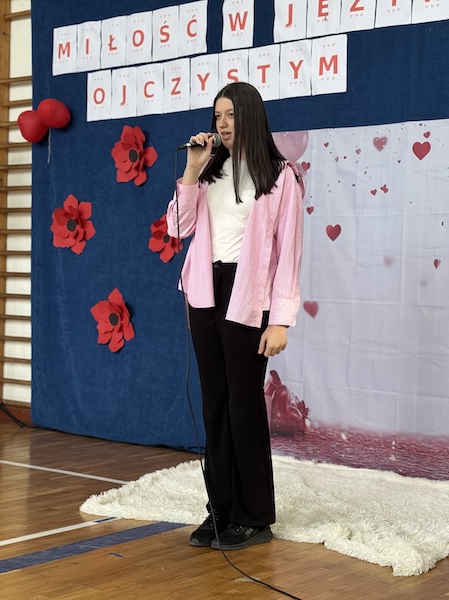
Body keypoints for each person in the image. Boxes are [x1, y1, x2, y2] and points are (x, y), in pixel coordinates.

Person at [166, 82, 305, 551]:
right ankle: (221, 509)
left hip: (249, 293)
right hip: (206, 291)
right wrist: (191, 169)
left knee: (244, 403)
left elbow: (289, 253)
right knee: (216, 403)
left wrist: (280, 320)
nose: (223, 124)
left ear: (250, 116)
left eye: (231, 115)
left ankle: (254, 516)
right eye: (217, 116)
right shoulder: (208, 172)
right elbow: (178, 228)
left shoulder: (281, 176)